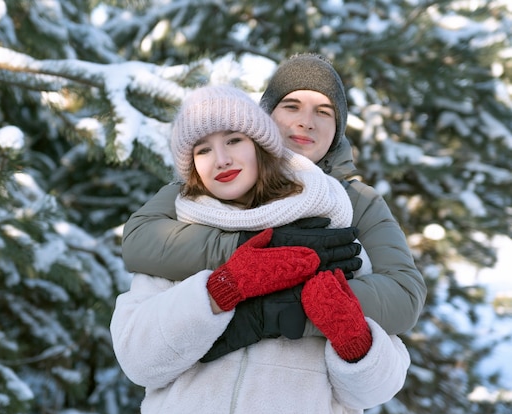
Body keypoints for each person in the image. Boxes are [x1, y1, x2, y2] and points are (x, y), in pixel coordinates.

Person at [110, 85, 410, 414]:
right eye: (203, 150)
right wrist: (222, 287)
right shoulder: (183, 233)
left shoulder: (328, 235)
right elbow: (138, 362)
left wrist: (351, 337)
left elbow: (377, 389)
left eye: (234, 140)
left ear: (261, 145)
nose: (221, 159)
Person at [121, 54, 427, 355]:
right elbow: (140, 240)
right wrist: (251, 247)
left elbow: (403, 294)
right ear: (264, 116)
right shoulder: (213, 182)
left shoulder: (358, 200)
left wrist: (284, 309)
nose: (306, 122)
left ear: (337, 130)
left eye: (323, 112)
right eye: (291, 106)